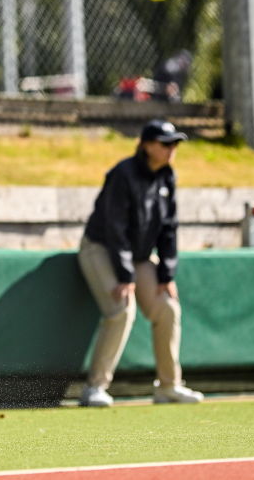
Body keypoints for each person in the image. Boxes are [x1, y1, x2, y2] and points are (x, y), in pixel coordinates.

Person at [76, 119, 203, 408]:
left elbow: (169, 228)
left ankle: (168, 387)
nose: (172, 149)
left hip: (140, 256)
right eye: (165, 143)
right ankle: (94, 387)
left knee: (168, 307)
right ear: (147, 145)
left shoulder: (168, 177)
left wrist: (166, 274)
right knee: (121, 309)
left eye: (175, 144)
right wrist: (124, 275)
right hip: (101, 249)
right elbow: (114, 227)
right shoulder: (123, 174)